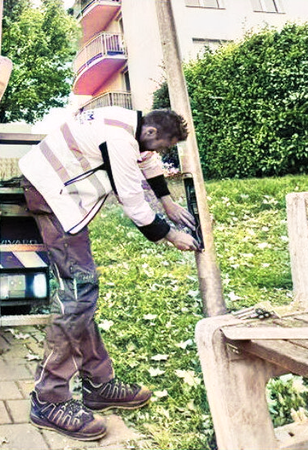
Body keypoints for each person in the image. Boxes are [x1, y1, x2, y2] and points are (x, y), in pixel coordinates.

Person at [18, 107, 199, 441]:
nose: (159, 152)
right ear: (151, 133)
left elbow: (148, 161)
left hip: (60, 194)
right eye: (162, 146)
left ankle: (98, 384)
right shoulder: (120, 138)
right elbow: (132, 200)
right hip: (52, 193)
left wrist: (167, 202)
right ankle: (48, 398)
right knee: (79, 292)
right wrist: (170, 234)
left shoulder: (132, 124)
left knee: (83, 293)